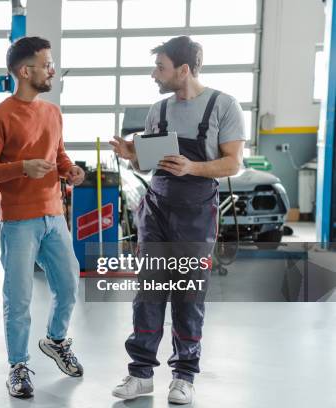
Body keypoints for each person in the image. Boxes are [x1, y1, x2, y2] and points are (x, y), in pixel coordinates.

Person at [110, 36, 245, 404]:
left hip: (196, 213)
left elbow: (233, 162)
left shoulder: (223, 105)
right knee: (147, 293)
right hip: (156, 210)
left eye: (161, 68)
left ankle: (184, 375)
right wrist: (130, 156)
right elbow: (148, 163)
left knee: (188, 296)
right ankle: (140, 374)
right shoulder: (159, 109)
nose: (155, 75)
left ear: (184, 70)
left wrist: (194, 166)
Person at [0, 36, 86, 399]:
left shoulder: (52, 112)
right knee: (19, 297)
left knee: (69, 285)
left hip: (54, 216)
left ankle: (55, 341)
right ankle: (18, 366)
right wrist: (22, 167)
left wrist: (71, 171)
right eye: (47, 64)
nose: (52, 69)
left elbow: (60, 154)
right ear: (26, 71)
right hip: (18, 222)